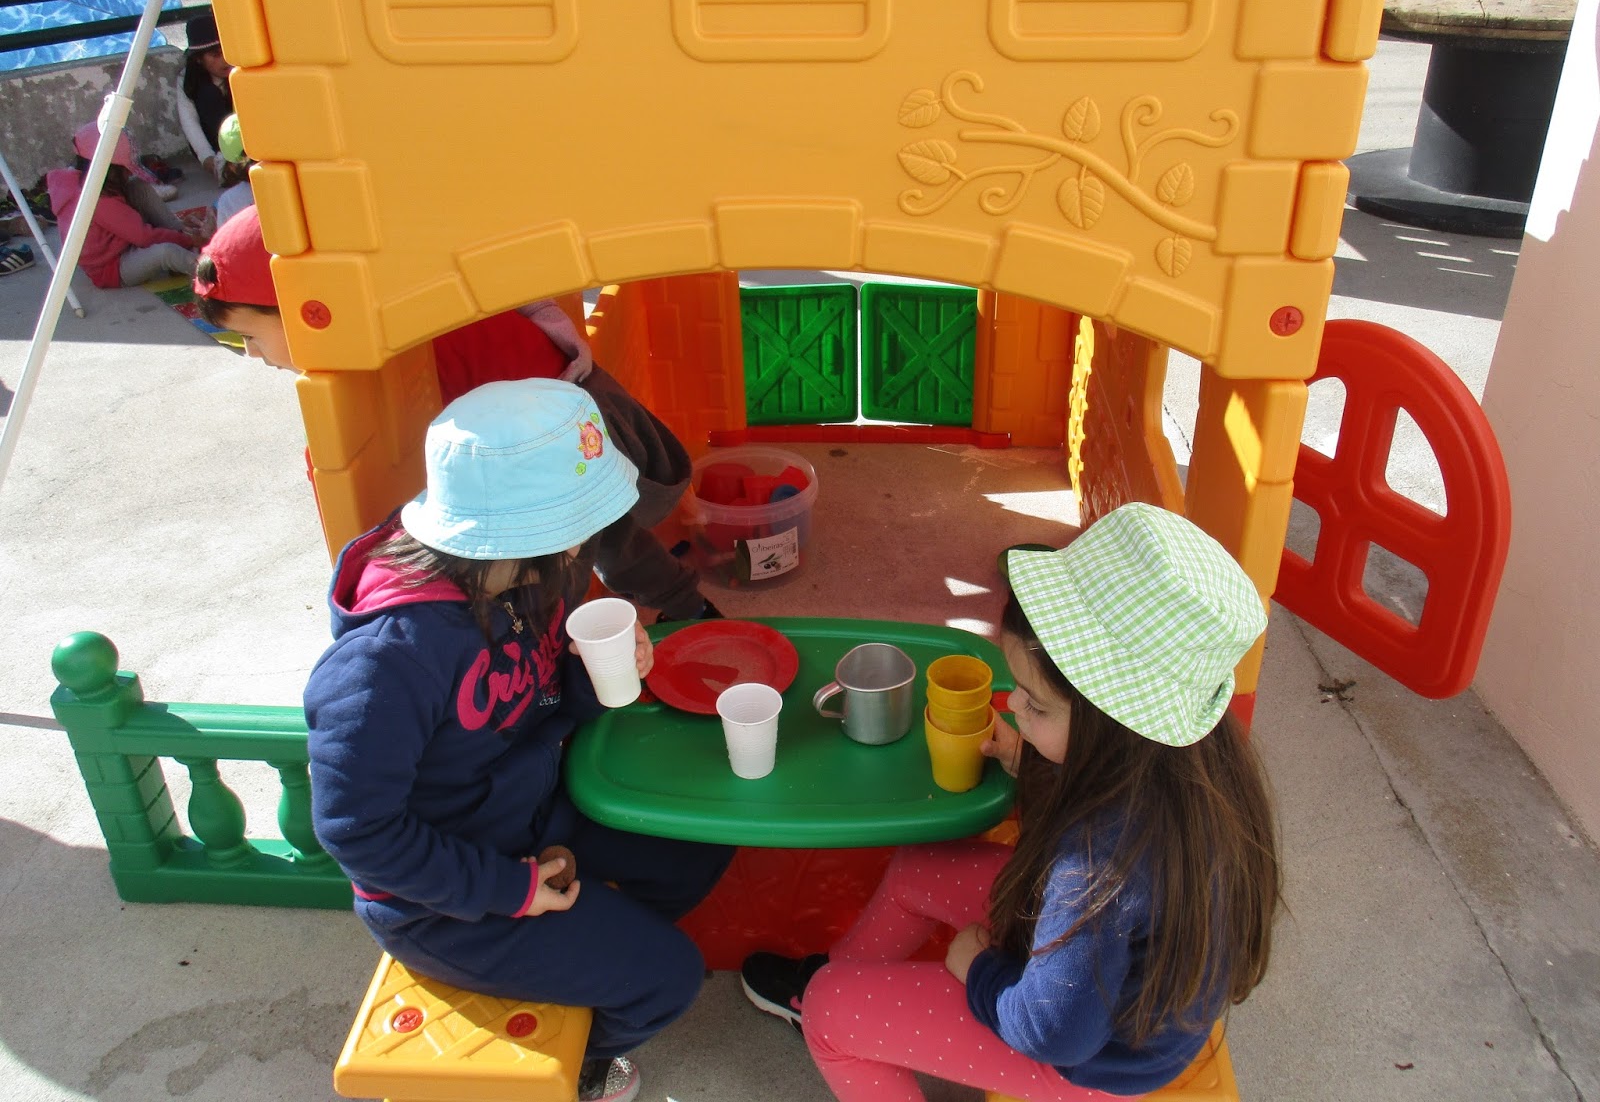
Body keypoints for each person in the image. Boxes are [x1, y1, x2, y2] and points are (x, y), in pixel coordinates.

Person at [739, 503, 1281, 1102]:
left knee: (828, 1013)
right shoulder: (1189, 765)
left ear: (1110, 728)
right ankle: (835, 974)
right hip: (1117, 999)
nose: (1014, 707)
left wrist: (978, 970)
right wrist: (1028, 757)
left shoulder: (1098, 862)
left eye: (1036, 704)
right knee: (917, 870)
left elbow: (1053, 1033)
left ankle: (822, 1001)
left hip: (1089, 1063)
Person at [305, 378, 734, 1102]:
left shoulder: (528, 577)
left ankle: (580, 957)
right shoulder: (385, 664)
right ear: (532, 532)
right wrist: (510, 890)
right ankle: (574, 1067)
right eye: (583, 522)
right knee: (668, 979)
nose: (592, 541)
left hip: (532, 816)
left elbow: (537, 705)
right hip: (440, 900)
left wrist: (594, 678)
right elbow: (358, 831)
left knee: (700, 842)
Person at [192, 206, 716, 621]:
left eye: (251, 336)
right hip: (567, 426)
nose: (252, 353)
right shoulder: (413, 308)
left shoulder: (401, 348)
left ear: (306, 311)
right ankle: (686, 606)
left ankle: (562, 659)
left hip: (548, 452)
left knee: (557, 570)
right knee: (608, 537)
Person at [46, 123, 202, 289]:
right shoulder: (95, 200)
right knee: (166, 252)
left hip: (119, 244)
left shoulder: (82, 182)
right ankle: (208, 270)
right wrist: (189, 240)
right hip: (111, 268)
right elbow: (144, 237)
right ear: (108, 170)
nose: (129, 172)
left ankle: (178, 231)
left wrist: (179, 235)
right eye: (124, 169)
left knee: (137, 186)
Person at [176, 12, 242, 186]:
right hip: (214, 143)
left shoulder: (241, 69)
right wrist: (206, 157)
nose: (224, 60)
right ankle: (225, 163)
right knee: (208, 95)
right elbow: (189, 121)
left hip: (243, 136)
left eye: (226, 52)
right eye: (215, 55)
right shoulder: (188, 80)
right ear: (199, 59)